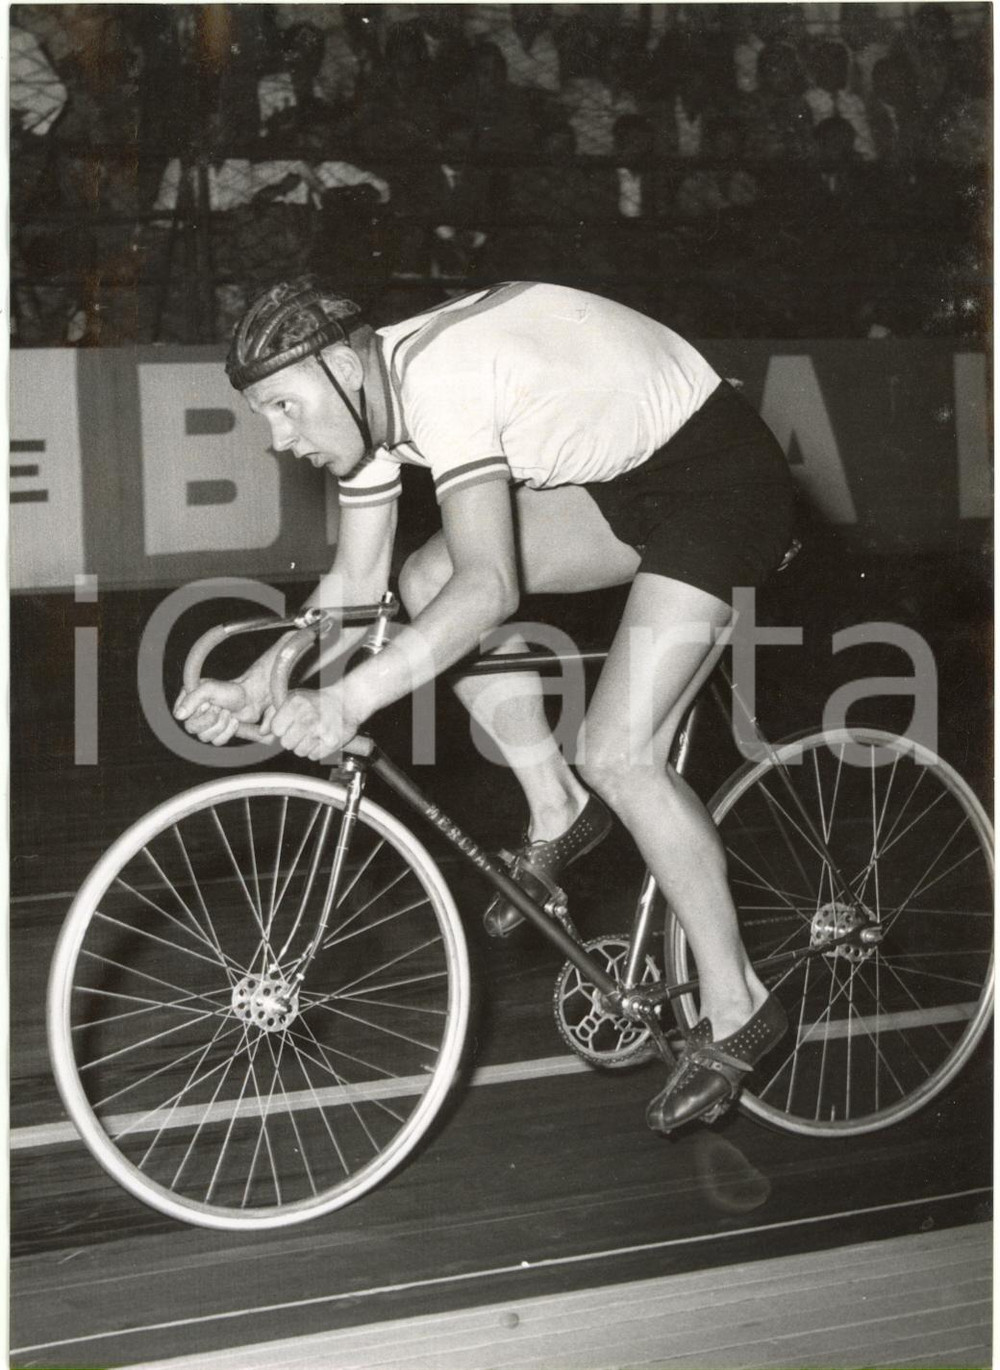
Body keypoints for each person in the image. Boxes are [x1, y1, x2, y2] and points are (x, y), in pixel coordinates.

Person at [174, 276, 795, 1134]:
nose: (280, 439)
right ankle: (558, 809)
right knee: (422, 577)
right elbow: (359, 585)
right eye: (265, 416)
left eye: (285, 405)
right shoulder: (376, 406)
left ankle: (738, 1006)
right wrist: (265, 675)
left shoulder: (443, 383)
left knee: (619, 747)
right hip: (623, 486)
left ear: (346, 370)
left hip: (721, 483)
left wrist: (350, 697)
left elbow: (492, 587)